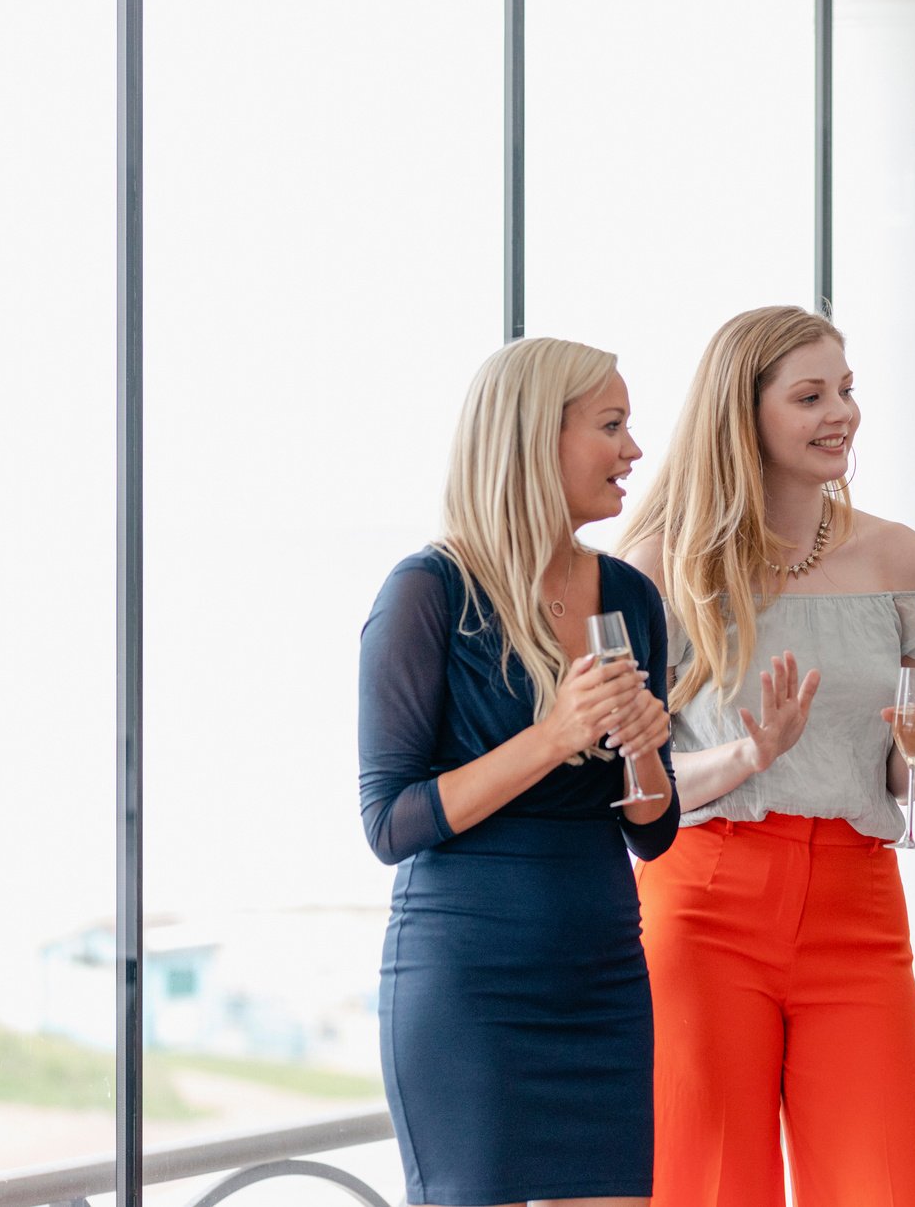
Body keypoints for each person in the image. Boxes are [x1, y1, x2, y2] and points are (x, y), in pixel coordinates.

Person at [616, 304, 915, 1207]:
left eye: (846, 391)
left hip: (857, 902)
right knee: (706, 1189)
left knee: (886, 1187)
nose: (841, 414)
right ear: (744, 415)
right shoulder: (662, 566)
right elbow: (632, 786)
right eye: (810, 395)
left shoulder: (897, 556)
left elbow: (903, 774)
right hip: (702, 905)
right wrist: (750, 752)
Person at [358, 337, 679, 1207]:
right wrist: (550, 736)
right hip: (469, 992)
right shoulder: (428, 592)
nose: (634, 450)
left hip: (605, 980)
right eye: (611, 425)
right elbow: (390, 824)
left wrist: (645, 744)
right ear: (538, 438)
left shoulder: (631, 597)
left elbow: (651, 831)